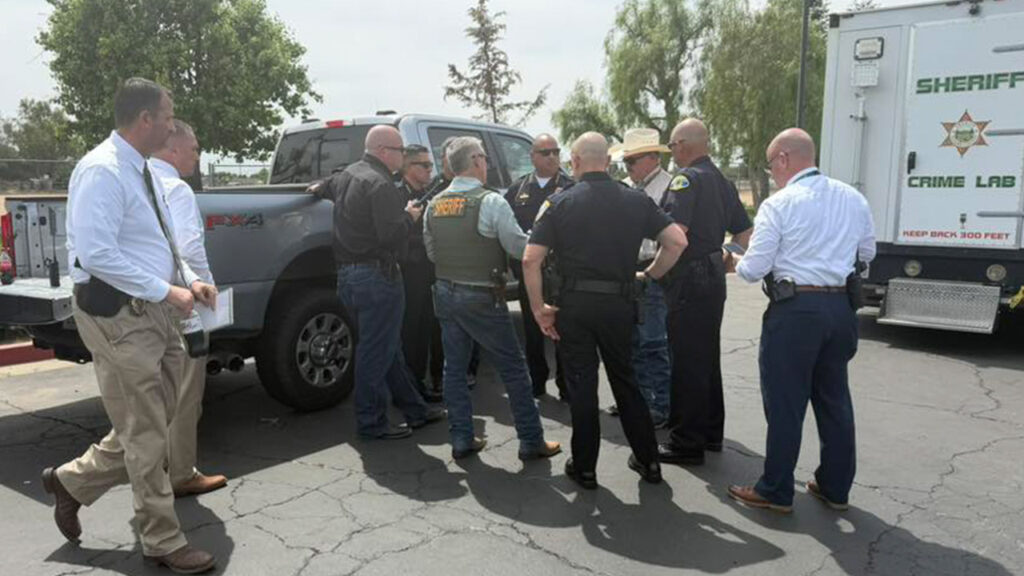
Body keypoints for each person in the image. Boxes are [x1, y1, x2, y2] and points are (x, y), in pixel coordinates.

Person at [42, 78, 219, 573]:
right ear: (145, 119)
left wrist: (190, 280)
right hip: (119, 314)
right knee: (145, 431)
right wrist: (168, 291)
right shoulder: (101, 170)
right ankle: (162, 539)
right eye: (167, 114)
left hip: (153, 311)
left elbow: (162, 241)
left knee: (153, 422)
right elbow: (96, 255)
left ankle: (71, 482)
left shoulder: (141, 169)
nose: (171, 122)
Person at [522, 132, 687, 490]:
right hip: (619, 304)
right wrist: (648, 276)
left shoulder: (560, 203)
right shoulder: (636, 200)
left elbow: (530, 259)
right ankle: (648, 461)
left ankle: (584, 467)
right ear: (609, 162)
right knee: (626, 381)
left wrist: (539, 309)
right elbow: (677, 241)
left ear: (576, 162)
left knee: (582, 386)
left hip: (575, 307)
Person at [727, 128, 876, 514]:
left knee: (785, 404)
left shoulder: (779, 204)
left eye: (770, 165)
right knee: (834, 400)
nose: (772, 172)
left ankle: (776, 490)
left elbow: (754, 268)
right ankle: (835, 486)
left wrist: (735, 259)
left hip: (795, 312)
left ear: (783, 159)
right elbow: (867, 252)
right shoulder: (853, 197)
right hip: (840, 309)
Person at [423, 136, 561, 461]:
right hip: (482, 294)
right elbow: (518, 247)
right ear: (477, 161)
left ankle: (461, 439)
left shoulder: (434, 205)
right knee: (513, 368)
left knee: (453, 371)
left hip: (444, 291)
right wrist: (545, 242)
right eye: (483, 158)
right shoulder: (491, 202)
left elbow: (431, 253)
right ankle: (531, 441)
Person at [314, 125, 445, 440]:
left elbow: (326, 186)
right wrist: (410, 217)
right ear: (385, 151)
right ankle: (371, 421)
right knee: (376, 351)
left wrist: (317, 187)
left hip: (348, 276)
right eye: (400, 151)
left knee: (387, 347)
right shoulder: (381, 184)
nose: (403, 157)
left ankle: (415, 409)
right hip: (378, 276)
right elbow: (391, 234)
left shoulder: (347, 175)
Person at [657, 118, 753, 467]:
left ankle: (686, 441)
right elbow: (744, 234)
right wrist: (727, 255)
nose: (671, 152)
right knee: (705, 356)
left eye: (671, 145)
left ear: (684, 144)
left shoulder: (686, 180)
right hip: (712, 275)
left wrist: (654, 272)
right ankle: (710, 431)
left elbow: (675, 235)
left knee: (686, 360)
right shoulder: (724, 182)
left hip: (689, 277)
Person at [150, 119, 228, 497]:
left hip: (150, 299)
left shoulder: (141, 180)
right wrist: (203, 287)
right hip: (181, 301)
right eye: (194, 147)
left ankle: (162, 465)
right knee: (185, 392)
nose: (198, 154)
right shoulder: (177, 189)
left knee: (160, 392)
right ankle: (181, 473)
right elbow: (189, 249)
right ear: (174, 148)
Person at [608, 128, 674, 427]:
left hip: (653, 269)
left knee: (653, 342)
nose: (628, 168)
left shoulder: (670, 187)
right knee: (630, 341)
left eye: (631, 161)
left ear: (652, 158)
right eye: (625, 162)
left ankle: (661, 405)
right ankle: (638, 400)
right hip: (627, 270)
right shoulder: (625, 188)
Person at [505, 134, 573, 400]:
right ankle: (537, 381)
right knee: (533, 331)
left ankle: (566, 385)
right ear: (532, 157)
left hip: (561, 272)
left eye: (556, 151)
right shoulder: (518, 189)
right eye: (545, 152)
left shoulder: (570, 186)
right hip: (530, 271)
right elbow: (506, 230)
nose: (552, 157)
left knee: (562, 330)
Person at [397, 144, 444, 402]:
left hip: (429, 271)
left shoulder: (429, 193)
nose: (429, 170)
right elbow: (392, 235)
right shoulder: (395, 195)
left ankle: (419, 382)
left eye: (430, 165)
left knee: (426, 328)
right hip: (408, 271)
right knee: (409, 330)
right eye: (424, 165)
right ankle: (408, 389)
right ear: (408, 166)